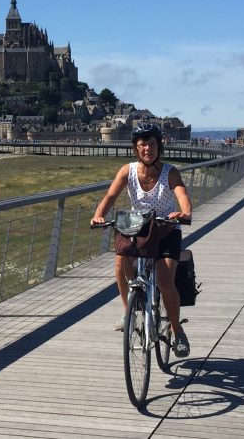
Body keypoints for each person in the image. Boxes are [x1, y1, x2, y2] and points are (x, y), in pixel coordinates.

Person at [91, 123, 193, 357]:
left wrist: (185, 213)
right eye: (142, 145)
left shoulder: (170, 172)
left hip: (167, 229)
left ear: (159, 147)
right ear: (136, 149)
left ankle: (178, 332)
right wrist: (99, 215)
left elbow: (182, 195)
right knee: (119, 262)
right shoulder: (127, 171)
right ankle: (129, 313)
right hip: (138, 227)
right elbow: (110, 195)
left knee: (165, 280)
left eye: (151, 144)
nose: (147, 148)